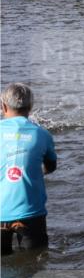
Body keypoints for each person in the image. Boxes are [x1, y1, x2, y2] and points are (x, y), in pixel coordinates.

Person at [1, 83, 56, 255]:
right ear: (30, 107)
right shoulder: (42, 134)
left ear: (3, 106)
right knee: (34, 265)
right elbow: (51, 166)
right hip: (31, 213)